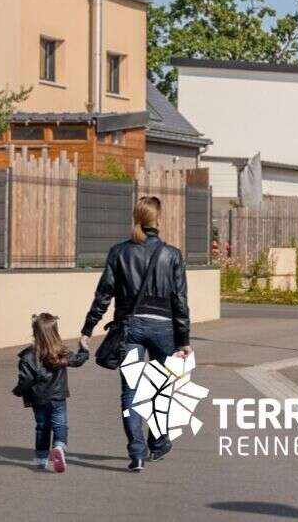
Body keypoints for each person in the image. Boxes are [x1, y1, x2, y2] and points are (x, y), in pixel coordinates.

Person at [81, 196, 191, 473]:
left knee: (130, 392)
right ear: (159, 219)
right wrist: (184, 339)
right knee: (162, 388)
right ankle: (158, 441)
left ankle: (137, 453)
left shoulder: (119, 252)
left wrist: (88, 329)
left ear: (137, 218)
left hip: (129, 327)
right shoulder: (172, 255)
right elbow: (179, 300)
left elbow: (103, 294)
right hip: (163, 328)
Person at [12, 313, 89, 473]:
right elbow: (79, 360)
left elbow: (25, 380)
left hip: (38, 399)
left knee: (42, 427)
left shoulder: (28, 357)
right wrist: (83, 347)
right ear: (55, 332)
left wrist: (18, 391)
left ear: (35, 332)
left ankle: (41, 459)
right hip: (58, 397)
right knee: (60, 424)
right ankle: (59, 446)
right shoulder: (61, 351)